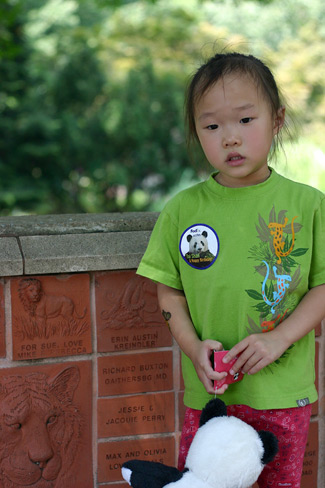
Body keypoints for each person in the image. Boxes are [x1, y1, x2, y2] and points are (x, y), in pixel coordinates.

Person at [137, 52, 325, 488]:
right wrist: (192, 346)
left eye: (244, 120)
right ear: (196, 133)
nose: (230, 138)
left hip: (282, 395)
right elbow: (170, 292)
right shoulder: (183, 210)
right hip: (212, 397)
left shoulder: (308, 205)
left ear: (276, 120)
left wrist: (279, 338)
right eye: (212, 126)